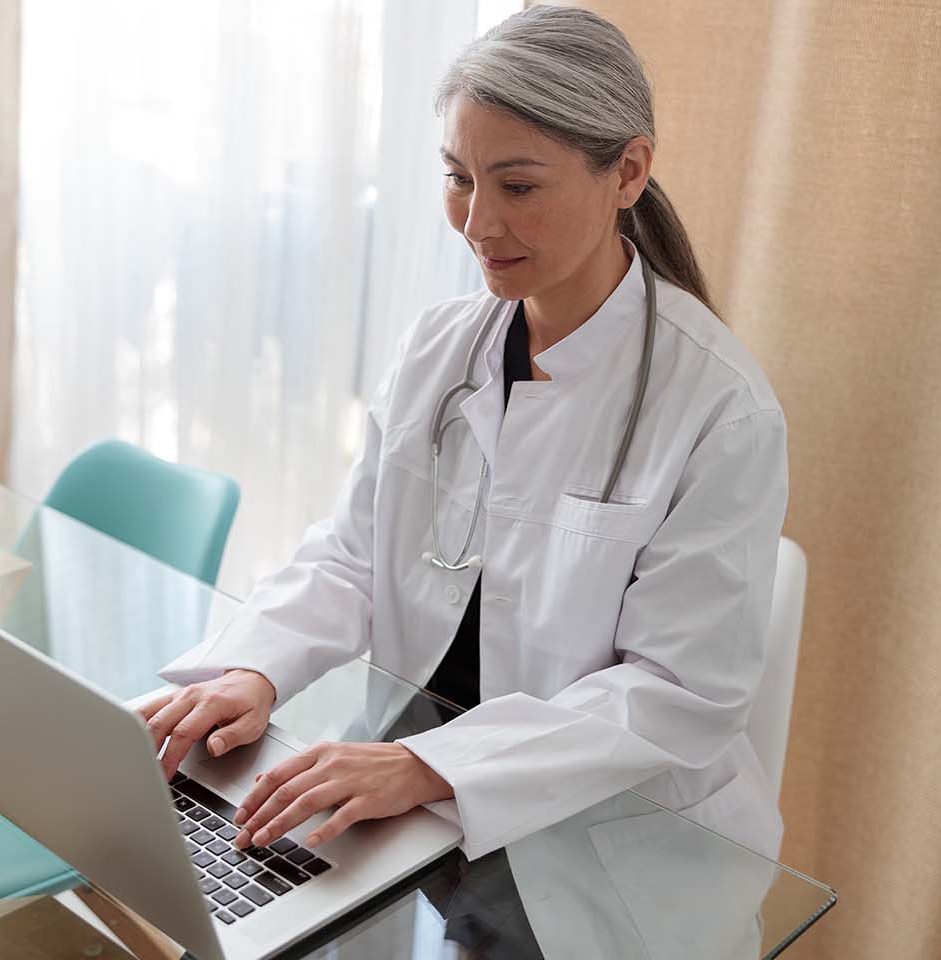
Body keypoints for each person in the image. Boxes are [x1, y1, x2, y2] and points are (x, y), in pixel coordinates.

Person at [140, 4, 789, 866]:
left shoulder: (719, 409)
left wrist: (427, 764)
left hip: (613, 853)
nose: (479, 223)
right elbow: (353, 556)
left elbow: (674, 693)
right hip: (415, 809)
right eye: (458, 177)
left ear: (628, 171)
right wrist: (252, 670)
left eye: (517, 186)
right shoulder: (440, 347)